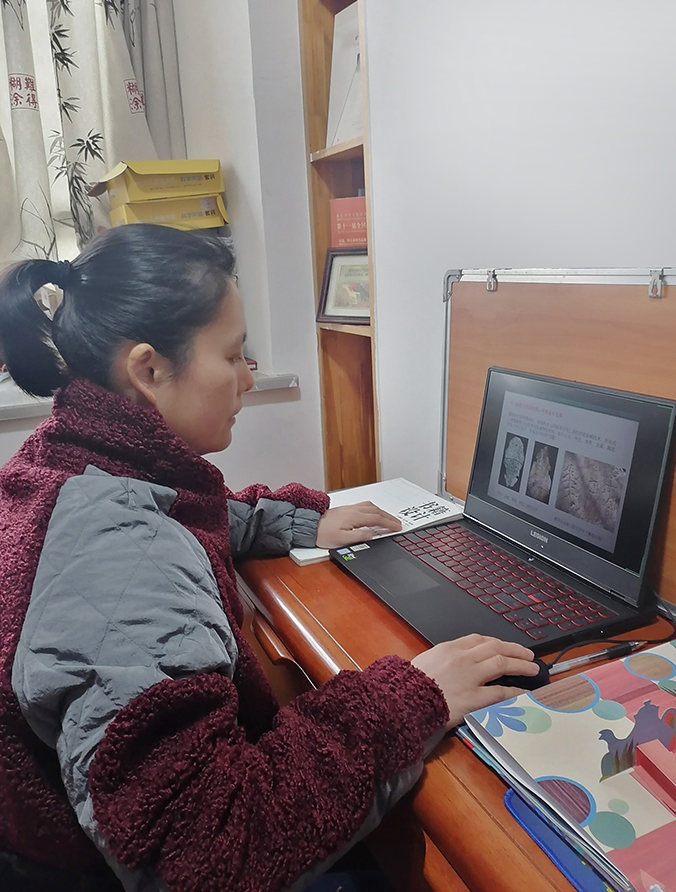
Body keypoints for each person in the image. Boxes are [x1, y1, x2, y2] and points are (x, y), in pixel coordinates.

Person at [0, 224, 539, 892]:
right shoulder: (119, 552)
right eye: (233, 355)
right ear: (148, 369)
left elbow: (176, 509)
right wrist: (411, 700)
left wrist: (300, 522)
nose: (248, 377)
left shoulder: (76, 458)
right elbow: (207, 856)